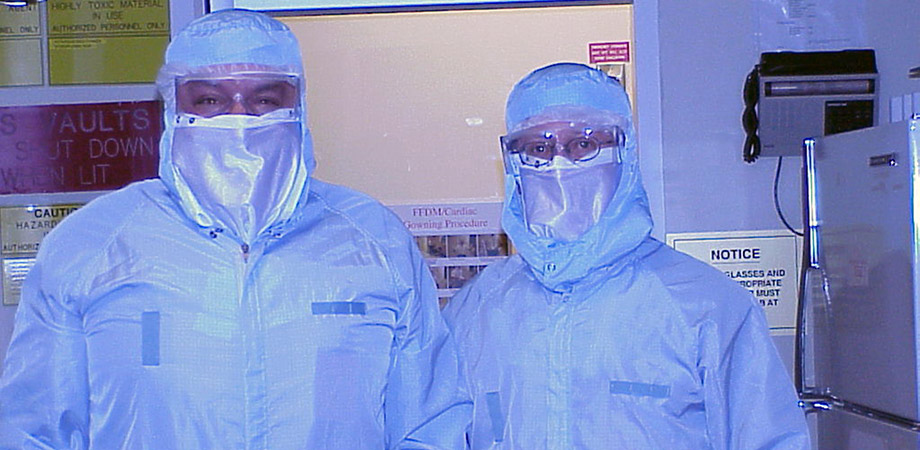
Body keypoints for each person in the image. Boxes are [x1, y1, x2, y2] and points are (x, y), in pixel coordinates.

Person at [0, 10, 470, 448]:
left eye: (265, 99)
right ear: (171, 109)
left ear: (298, 107)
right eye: (209, 100)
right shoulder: (94, 243)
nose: (240, 119)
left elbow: (430, 424)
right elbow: (34, 430)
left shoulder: (372, 240)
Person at [442, 63, 810, 448]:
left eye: (584, 144)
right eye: (539, 148)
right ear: (515, 167)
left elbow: (770, 440)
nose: (560, 164)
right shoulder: (475, 313)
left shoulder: (705, 306)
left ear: (626, 153)